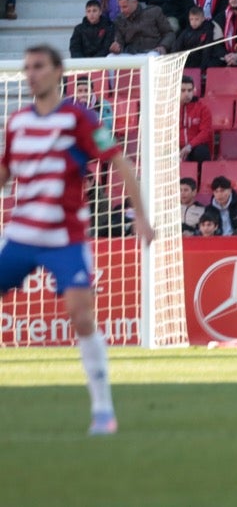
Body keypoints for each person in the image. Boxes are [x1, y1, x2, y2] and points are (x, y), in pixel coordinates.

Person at [0, 46, 153, 434]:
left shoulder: (79, 118)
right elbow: (5, 173)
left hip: (65, 236)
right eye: (27, 68)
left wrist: (141, 217)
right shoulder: (17, 122)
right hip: (21, 233)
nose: (31, 74)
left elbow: (120, 161)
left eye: (38, 66)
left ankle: (103, 410)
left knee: (82, 315)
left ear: (57, 72)